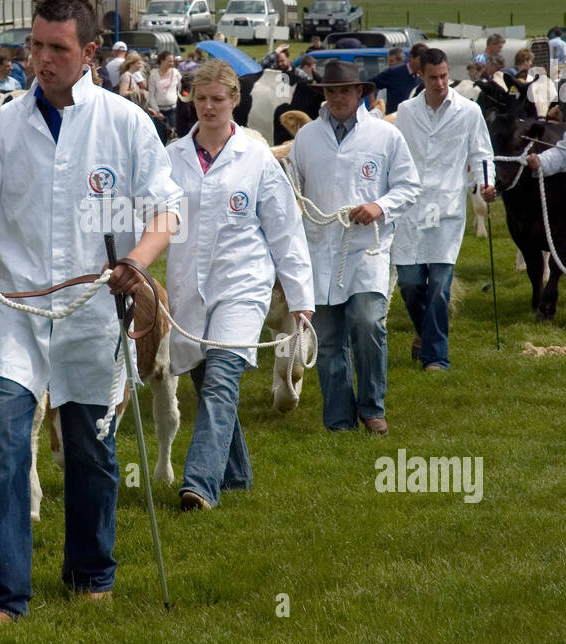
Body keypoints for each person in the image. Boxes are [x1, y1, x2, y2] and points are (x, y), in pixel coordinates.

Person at [0, 0, 181, 627]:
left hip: (95, 309)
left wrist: (138, 262)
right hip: (16, 311)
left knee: (90, 449)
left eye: (57, 49)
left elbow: (165, 211)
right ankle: (5, 597)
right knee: (6, 446)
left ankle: (90, 572)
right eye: (35, 46)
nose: (42, 60)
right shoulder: (3, 127)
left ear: (89, 53)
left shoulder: (127, 124)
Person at [165, 60, 314, 511]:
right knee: (204, 375)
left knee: (222, 380)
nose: (209, 107)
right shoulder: (170, 158)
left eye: (218, 99)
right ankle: (236, 474)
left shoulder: (257, 161)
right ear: (190, 99)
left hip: (243, 284)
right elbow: (149, 218)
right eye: (201, 98)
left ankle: (199, 486)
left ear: (235, 101)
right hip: (188, 286)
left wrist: (301, 299)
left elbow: (285, 231)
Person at [289, 60, 420, 434]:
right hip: (321, 249)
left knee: (367, 322)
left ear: (361, 92)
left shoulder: (385, 136)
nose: (338, 98)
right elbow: (293, 188)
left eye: (345, 91)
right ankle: (339, 419)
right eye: (331, 92)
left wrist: (380, 206)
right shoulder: (307, 138)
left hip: (366, 250)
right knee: (327, 340)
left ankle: (372, 406)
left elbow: (409, 187)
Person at [393, 47, 495, 372]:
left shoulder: (469, 111)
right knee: (409, 283)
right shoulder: (406, 112)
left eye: (444, 76)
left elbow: (481, 154)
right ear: (420, 76)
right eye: (433, 77)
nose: (439, 83)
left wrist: (485, 184)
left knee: (438, 286)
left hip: (447, 208)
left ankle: (435, 357)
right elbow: (394, 155)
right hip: (411, 209)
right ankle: (425, 334)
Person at [373, 46, 422, 114]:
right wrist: (372, 104)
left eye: (391, 61)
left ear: (401, 61)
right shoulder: (390, 75)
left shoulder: (420, 76)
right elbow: (372, 85)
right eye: (388, 61)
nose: (389, 64)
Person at [148, 50, 182, 131]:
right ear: (162, 61)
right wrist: (157, 111)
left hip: (173, 110)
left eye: (173, 61)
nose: (172, 63)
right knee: (160, 136)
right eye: (169, 61)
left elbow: (179, 89)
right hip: (158, 111)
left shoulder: (176, 73)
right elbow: (151, 94)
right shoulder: (153, 74)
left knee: (173, 135)